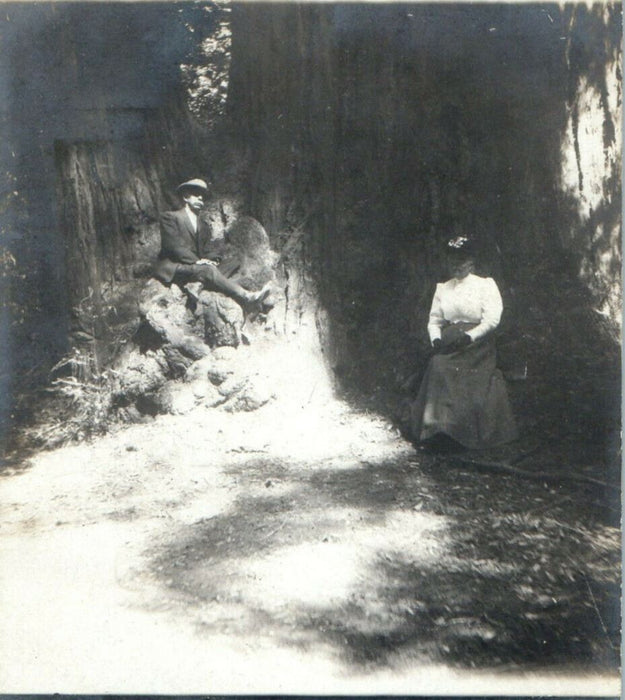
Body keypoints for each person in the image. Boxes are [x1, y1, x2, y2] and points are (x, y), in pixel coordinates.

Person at [409, 236, 518, 451]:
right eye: (452, 260)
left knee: (453, 370)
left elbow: (492, 320)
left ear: (471, 261)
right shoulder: (443, 288)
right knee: (438, 366)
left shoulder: (485, 285)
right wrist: (436, 339)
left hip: (477, 345)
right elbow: (434, 321)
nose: (457, 265)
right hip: (449, 343)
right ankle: (437, 431)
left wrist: (470, 336)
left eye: (462, 260)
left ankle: (460, 434)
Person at [154, 178, 271, 311]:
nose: (200, 198)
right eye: (196, 194)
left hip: (195, 267)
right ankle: (246, 296)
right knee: (207, 270)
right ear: (186, 197)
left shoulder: (203, 224)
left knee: (234, 262)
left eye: (202, 196)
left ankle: (198, 284)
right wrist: (199, 262)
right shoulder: (170, 217)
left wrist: (213, 259)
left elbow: (207, 249)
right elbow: (174, 246)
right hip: (175, 266)